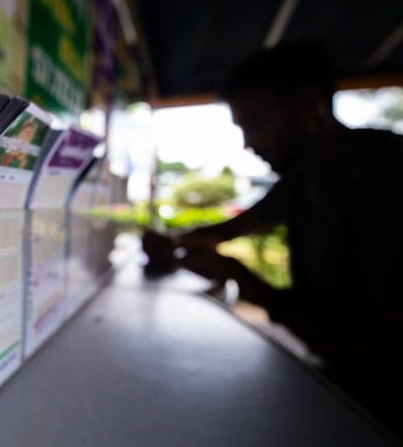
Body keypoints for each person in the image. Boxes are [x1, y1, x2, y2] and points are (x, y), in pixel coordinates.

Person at [142, 43, 403, 439]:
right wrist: (174, 241)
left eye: (255, 124)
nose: (248, 144)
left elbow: (378, 359)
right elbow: (232, 228)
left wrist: (245, 281)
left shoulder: (386, 181)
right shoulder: (306, 177)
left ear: (310, 105)